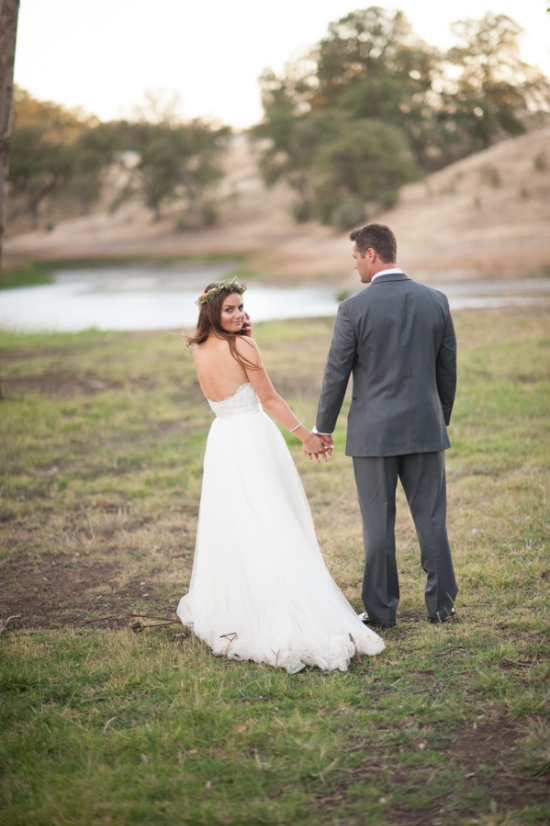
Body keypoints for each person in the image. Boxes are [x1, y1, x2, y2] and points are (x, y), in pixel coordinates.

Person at [177, 278, 385, 673]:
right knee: (272, 519)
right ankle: (286, 610)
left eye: (241, 307)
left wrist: (242, 340)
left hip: (223, 439)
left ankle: (243, 607)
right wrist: (306, 435)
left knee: (240, 522)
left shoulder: (201, 348)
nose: (239, 314)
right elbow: (269, 398)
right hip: (253, 437)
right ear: (212, 313)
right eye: (230, 309)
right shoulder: (243, 345)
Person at [314, 223, 458, 627]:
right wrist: (436, 421)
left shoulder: (353, 309)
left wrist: (322, 428)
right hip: (426, 430)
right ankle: (442, 606)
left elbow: (335, 375)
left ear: (371, 254)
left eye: (356, 257)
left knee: (378, 524)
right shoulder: (436, 300)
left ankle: (381, 612)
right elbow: (448, 372)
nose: (356, 265)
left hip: (373, 435)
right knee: (431, 520)